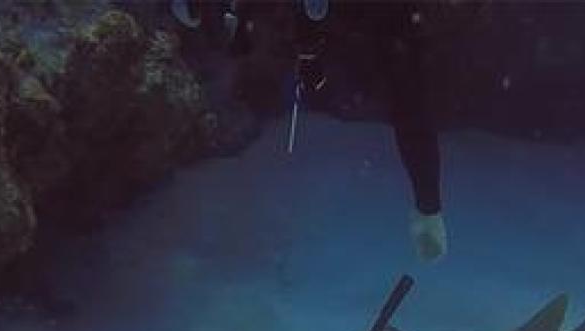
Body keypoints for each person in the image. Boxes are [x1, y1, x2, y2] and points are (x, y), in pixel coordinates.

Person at [174, 0, 448, 264]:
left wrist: (429, 207)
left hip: (370, 23)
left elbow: (411, 98)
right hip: (341, 29)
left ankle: (428, 210)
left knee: (402, 71)